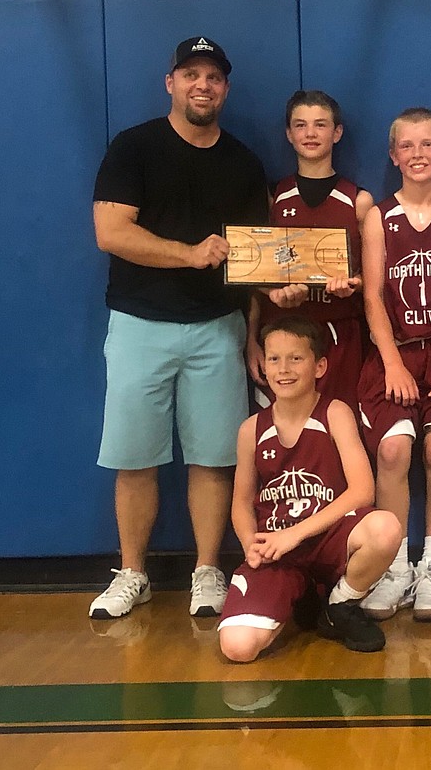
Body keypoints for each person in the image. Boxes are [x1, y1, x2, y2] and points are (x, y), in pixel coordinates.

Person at [91, 36, 268, 620]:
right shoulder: (133, 148)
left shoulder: (243, 162)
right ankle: (134, 573)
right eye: (191, 74)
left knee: (214, 457)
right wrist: (187, 254)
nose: (202, 85)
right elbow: (112, 232)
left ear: (225, 89)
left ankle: (208, 571)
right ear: (171, 83)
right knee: (133, 456)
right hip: (140, 323)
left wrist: (270, 299)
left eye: (213, 77)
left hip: (218, 328)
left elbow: (254, 259)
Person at [218, 317, 401, 660]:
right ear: (263, 364)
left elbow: (363, 491)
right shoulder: (251, 429)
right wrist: (249, 544)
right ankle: (301, 596)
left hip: (327, 538)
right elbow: (241, 503)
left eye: (295, 358)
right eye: (274, 359)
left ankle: (340, 604)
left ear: (319, 366)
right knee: (237, 648)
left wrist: (297, 534)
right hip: (277, 546)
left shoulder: (335, 413)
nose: (283, 369)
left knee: (385, 528)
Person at [356, 108, 431, 623]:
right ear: (393, 155)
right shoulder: (379, 217)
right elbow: (374, 298)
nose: (418, 154)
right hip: (396, 351)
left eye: (429, 145)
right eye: (407, 146)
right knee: (392, 452)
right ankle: (394, 566)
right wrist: (390, 362)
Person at [248, 90, 374, 412]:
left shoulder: (358, 201)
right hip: (283, 336)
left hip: (339, 335)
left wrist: (353, 286)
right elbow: (254, 276)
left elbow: (372, 278)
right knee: (285, 435)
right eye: (300, 125)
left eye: (320, 124)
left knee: (337, 432)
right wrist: (253, 335)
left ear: (337, 132)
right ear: (289, 134)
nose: (310, 133)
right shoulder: (275, 198)